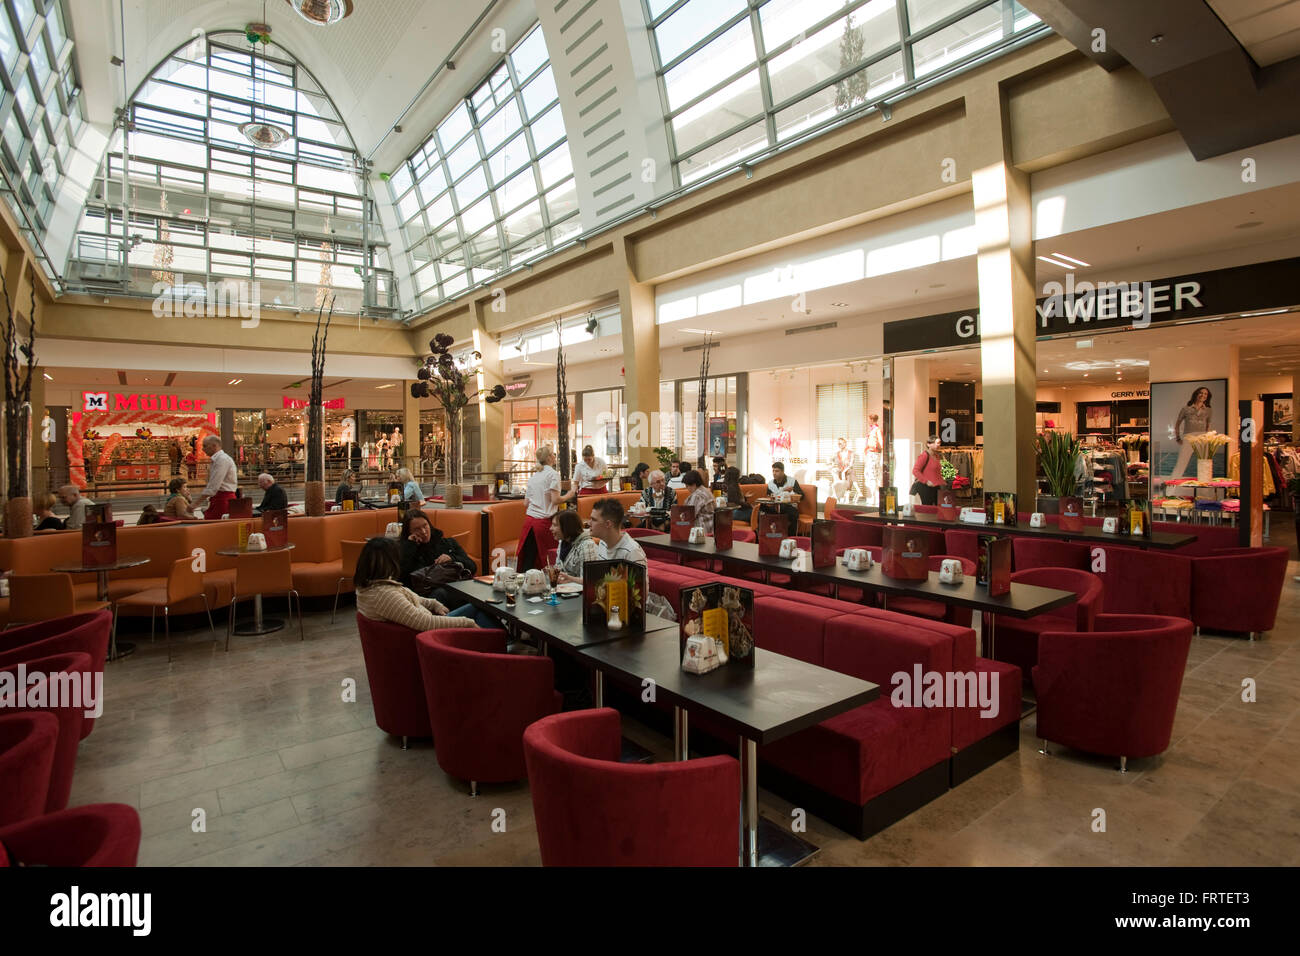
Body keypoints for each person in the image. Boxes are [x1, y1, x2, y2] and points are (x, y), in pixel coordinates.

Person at [353, 538, 481, 633]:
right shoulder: (384, 595)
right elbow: (425, 623)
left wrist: (434, 604)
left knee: (478, 608)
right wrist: (466, 622)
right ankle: (494, 653)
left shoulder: (371, 587)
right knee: (480, 611)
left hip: (424, 629)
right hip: (429, 637)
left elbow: (412, 597)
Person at [519, 445, 560, 571]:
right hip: (543, 524)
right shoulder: (553, 474)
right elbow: (555, 500)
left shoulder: (534, 476)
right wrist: (570, 494)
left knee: (529, 560)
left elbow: (526, 503)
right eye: (553, 454)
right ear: (548, 458)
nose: (555, 456)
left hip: (529, 523)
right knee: (548, 562)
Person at [1169, 386, 1214, 478]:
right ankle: (1170, 488)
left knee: (1204, 463)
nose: (1203, 395)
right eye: (1201, 393)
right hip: (1188, 437)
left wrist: (1207, 438)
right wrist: (1178, 438)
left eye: (1205, 394)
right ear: (1196, 394)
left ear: (1207, 397)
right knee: (1181, 463)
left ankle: (1205, 490)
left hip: (1202, 438)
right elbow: (1177, 424)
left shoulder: (1208, 410)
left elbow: (1208, 425)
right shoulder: (1186, 408)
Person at [588, 497, 647, 563]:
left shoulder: (632, 553)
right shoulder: (602, 543)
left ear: (608, 524)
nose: (589, 523)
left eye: (594, 520)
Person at [194, 436, 238, 520]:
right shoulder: (217, 460)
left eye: (205, 446)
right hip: (218, 499)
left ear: (214, 446)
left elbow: (213, 487)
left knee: (215, 527)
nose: (203, 449)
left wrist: (194, 504)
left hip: (223, 500)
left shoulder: (222, 460)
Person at [552, 509, 599, 583]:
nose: (550, 528)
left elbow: (589, 580)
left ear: (566, 527)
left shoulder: (587, 545)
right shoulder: (563, 542)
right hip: (566, 590)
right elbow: (559, 569)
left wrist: (569, 579)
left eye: (555, 525)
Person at [765, 462, 802, 535]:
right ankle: (768, 537)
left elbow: (801, 495)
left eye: (777, 471)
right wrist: (783, 490)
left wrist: (792, 492)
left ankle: (791, 537)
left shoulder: (792, 481)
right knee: (762, 509)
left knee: (792, 514)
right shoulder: (770, 483)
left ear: (782, 471)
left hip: (789, 507)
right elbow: (769, 496)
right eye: (773, 471)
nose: (774, 473)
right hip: (775, 507)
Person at [911, 436, 943, 506]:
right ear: (928, 444)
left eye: (939, 443)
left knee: (939, 507)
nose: (938, 445)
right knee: (928, 507)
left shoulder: (937, 456)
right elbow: (915, 471)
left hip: (935, 486)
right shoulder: (924, 455)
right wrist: (926, 481)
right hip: (925, 486)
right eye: (936, 443)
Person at [833, 437, 859, 504]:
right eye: (838, 444)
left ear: (845, 444)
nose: (839, 445)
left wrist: (845, 470)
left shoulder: (851, 453)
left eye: (840, 443)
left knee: (851, 472)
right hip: (840, 471)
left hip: (848, 470)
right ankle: (842, 494)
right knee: (838, 472)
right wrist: (837, 468)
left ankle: (847, 494)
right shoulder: (837, 453)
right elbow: (835, 463)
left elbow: (851, 464)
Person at [865, 413, 883, 505]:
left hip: (874, 454)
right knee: (870, 475)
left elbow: (881, 443)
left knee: (874, 476)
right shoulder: (873, 430)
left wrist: (876, 452)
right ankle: (873, 497)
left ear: (872, 420)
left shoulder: (877, 430)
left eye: (869, 419)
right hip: (870, 454)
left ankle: (874, 497)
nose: (868, 421)